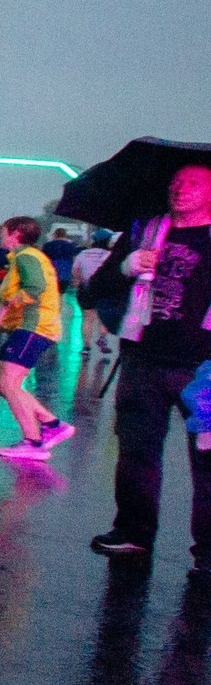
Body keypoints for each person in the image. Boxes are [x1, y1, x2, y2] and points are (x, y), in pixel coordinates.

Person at [87, 163, 211, 563]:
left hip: (205, 368)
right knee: (136, 452)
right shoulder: (144, 233)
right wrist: (126, 266)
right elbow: (93, 291)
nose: (181, 189)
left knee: (208, 460)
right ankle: (133, 532)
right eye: (176, 182)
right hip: (142, 359)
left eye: (193, 183)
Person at [0, 215, 72, 463]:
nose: (0, 235)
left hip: (35, 328)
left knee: (10, 383)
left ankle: (34, 442)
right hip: (25, 328)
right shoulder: (21, 258)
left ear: (15, 233)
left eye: (3, 231)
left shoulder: (27, 257)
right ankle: (52, 423)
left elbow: (34, 289)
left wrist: (3, 308)